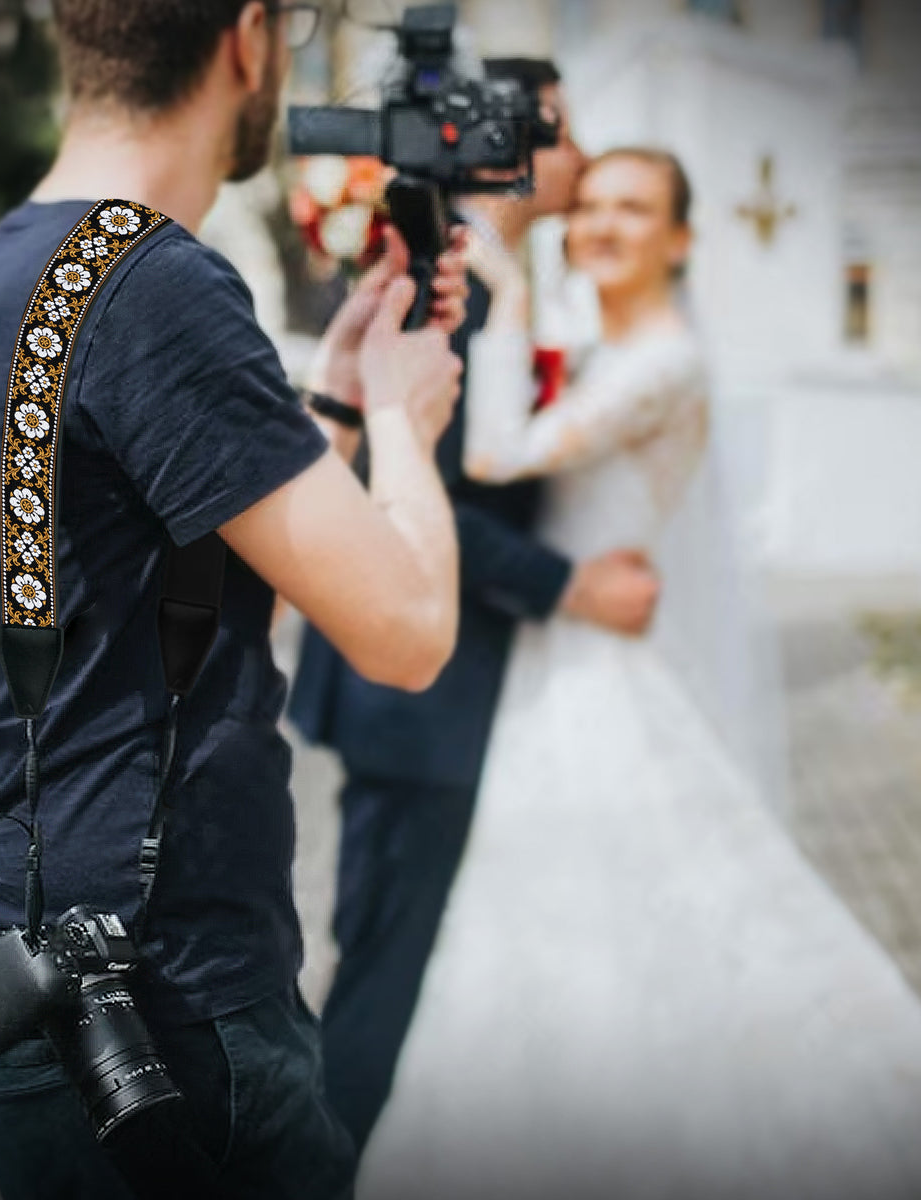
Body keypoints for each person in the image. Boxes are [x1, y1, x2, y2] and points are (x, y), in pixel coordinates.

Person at [0, 2, 472, 1197]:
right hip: (172, 1016)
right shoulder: (159, 285)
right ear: (248, 39)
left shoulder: (18, 268)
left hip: (38, 982)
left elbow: (183, 616)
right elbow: (411, 634)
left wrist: (325, 409)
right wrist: (401, 418)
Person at [359, 148, 921, 1199]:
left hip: (596, 674)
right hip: (561, 656)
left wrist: (511, 288)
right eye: (597, 205)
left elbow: (492, 457)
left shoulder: (665, 362)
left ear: (682, 239)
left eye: (636, 208)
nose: (603, 224)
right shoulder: (611, 349)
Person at [288, 58, 661, 1156]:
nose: (583, 159)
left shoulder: (504, 281)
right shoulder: (463, 290)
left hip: (466, 688)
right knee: (381, 977)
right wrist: (569, 584)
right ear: (509, 144)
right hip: (419, 700)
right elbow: (425, 490)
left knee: (409, 964)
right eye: (567, 133)